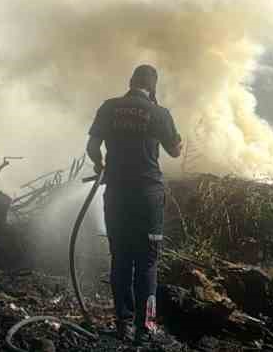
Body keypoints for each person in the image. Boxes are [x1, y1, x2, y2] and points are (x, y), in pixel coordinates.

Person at [86, 64, 184, 341]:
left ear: (130, 82)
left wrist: (100, 164)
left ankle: (123, 324)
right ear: (152, 87)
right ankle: (146, 327)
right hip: (148, 197)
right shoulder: (159, 113)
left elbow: (92, 147)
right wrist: (176, 138)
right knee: (148, 262)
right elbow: (175, 152)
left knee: (121, 258)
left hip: (116, 194)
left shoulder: (109, 107)